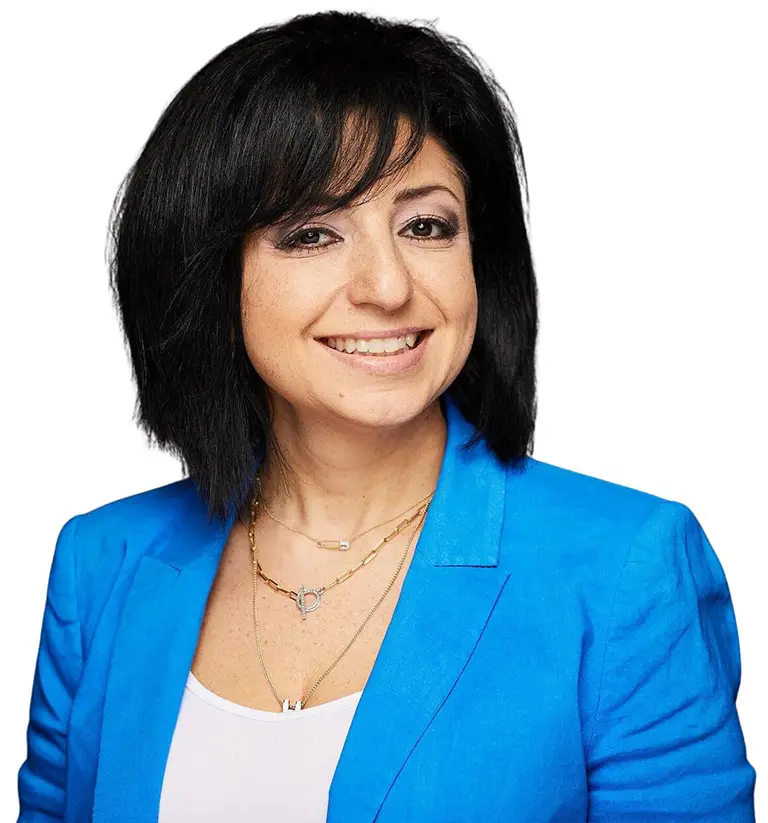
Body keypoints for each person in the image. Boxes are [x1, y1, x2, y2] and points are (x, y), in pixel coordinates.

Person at [16, 10, 756, 823]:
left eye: (425, 226)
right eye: (313, 233)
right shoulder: (102, 564)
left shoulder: (625, 570)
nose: (388, 286)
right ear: (208, 278)